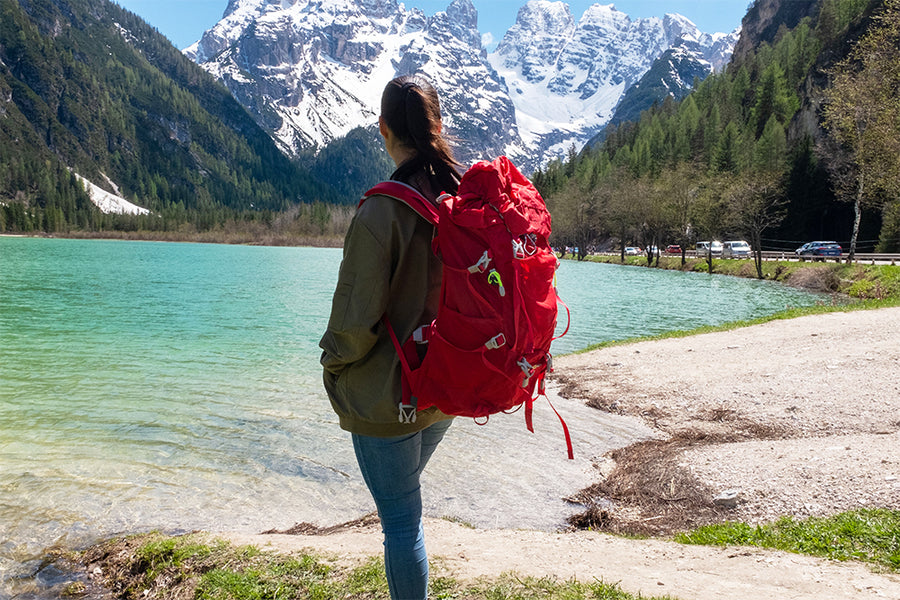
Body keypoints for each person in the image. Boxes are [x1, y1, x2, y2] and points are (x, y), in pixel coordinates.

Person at [319, 75, 462, 600]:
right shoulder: (460, 197)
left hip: (391, 397)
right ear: (437, 127)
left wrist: (332, 366)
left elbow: (354, 326)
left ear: (382, 129)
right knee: (405, 504)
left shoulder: (382, 210)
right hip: (446, 388)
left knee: (402, 525)